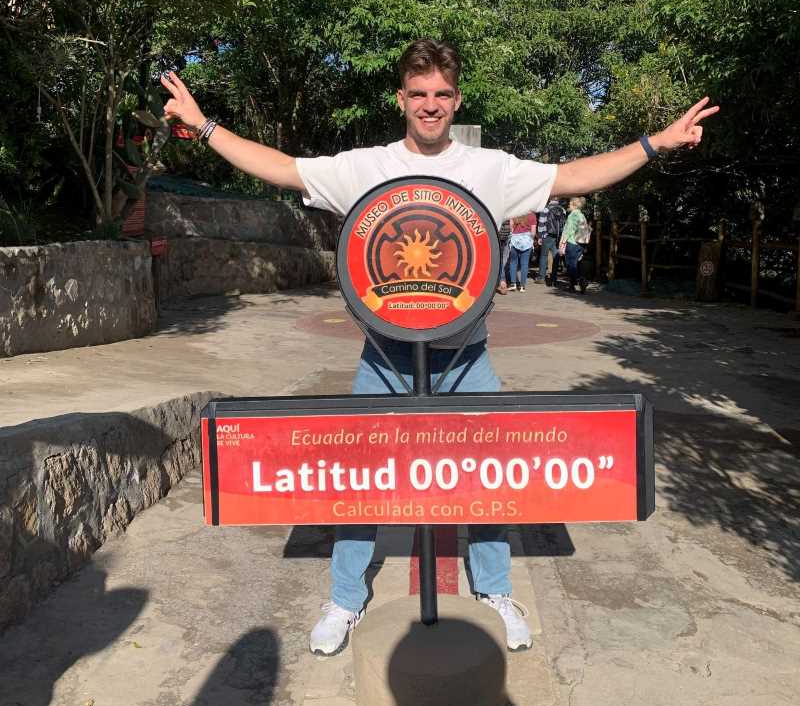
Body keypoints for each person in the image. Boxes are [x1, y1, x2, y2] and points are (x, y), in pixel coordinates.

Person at [160, 38, 718, 656]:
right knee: (359, 479)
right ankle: (345, 598)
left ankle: (494, 590)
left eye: (442, 95)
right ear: (401, 98)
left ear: (457, 100)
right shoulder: (365, 167)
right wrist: (204, 126)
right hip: (384, 356)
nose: (430, 105)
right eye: (419, 93)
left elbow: (575, 176)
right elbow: (282, 168)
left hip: (465, 356)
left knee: (488, 475)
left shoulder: (490, 170)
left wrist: (656, 143)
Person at [560, 197, 591, 293]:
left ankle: (574, 284)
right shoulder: (582, 215)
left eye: (570, 204)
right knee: (577, 263)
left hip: (572, 242)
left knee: (570, 264)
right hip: (581, 243)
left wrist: (562, 242)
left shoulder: (572, 215)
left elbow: (569, 230)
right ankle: (582, 279)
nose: (568, 205)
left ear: (574, 205)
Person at [539, 197, 566, 286]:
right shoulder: (563, 209)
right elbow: (564, 224)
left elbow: (541, 223)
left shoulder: (546, 209)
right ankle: (554, 277)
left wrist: (540, 236)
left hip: (547, 235)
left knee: (544, 255)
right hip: (557, 236)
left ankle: (541, 277)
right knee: (556, 256)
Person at [507, 214, 536, 291]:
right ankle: (522, 286)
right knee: (524, 264)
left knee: (513, 262)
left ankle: (513, 283)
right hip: (527, 240)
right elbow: (533, 232)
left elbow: (511, 227)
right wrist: (531, 239)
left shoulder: (515, 213)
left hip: (515, 239)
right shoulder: (532, 215)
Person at [497, 218, 512, 294]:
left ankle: (502, 283)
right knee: (501, 260)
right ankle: (502, 282)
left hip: (496, 236)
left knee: (498, 260)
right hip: (505, 236)